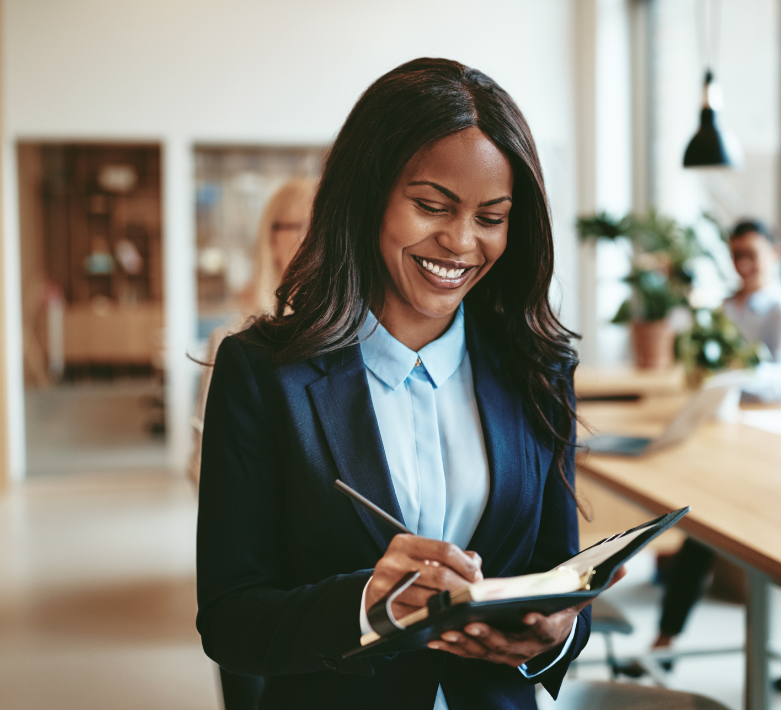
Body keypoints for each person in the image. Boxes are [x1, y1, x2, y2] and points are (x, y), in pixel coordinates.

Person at [196, 59, 613, 709]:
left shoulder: (539, 368)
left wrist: (558, 632)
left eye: (492, 216)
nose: (460, 242)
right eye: (431, 206)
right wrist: (365, 604)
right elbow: (230, 620)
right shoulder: (263, 372)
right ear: (369, 197)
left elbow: (560, 577)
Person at [627, 219, 781, 695]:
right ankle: (665, 641)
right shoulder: (724, 308)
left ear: (775, 252)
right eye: (735, 254)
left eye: (751, 254)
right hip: (730, 443)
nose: (742, 264)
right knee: (700, 532)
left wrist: (737, 374)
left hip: (779, 447)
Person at [190, 177, 315, 710]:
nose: (313, 239)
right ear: (272, 238)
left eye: (322, 225)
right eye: (297, 227)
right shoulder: (238, 342)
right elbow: (208, 463)